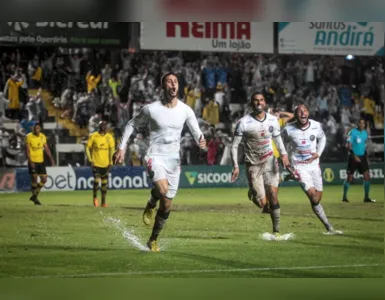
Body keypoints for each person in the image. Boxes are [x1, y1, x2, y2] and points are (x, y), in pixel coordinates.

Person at [114, 72, 206, 252]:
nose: (173, 85)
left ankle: (153, 238)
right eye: (169, 82)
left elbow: (196, 131)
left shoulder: (185, 110)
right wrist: (121, 147)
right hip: (154, 156)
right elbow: (131, 124)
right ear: (162, 86)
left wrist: (201, 140)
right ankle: (152, 201)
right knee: (163, 190)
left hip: (173, 160)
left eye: (176, 82)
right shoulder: (151, 109)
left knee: (167, 204)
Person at [230, 92, 290, 237]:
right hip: (253, 164)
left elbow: (277, 139)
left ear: (265, 103)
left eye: (261, 100)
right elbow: (234, 146)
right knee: (263, 204)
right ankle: (253, 192)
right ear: (252, 103)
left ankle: (276, 232)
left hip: (270, 161)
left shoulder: (273, 120)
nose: (259, 103)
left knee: (273, 196)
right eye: (256, 100)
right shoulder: (243, 122)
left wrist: (284, 154)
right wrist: (236, 166)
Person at [282, 104, 342, 235]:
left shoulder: (316, 125)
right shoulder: (288, 129)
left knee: (317, 198)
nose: (303, 113)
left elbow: (323, 138)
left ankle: (328, 227)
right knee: (313, 198)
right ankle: (329, 227)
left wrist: (318, 153)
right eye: (299, 112)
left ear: (308, 113)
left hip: (314, 166)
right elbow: (281, 142)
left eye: (305, 111)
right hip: (299, 166)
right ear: (295, 115)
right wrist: (285, 156)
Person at [262, 108, 294, 214]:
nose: (276, 115)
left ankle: (268, 204)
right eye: (273, 114)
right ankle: (270, 203)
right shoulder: (267, 123)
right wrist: (269, 113)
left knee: (274, 181)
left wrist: (281, 113)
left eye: (277, 114)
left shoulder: (279, 122)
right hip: (268, 155)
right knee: (273, 181)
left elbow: (292, 115)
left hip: (276, 155)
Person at [342, 118, 375, 203]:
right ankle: (344, 197)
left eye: (363, 123)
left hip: (363, 157)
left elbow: (364, 146)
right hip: (353, 157)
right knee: (349, 178)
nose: (362, 125)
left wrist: (366, 158)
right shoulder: (352, 132)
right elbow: (348, 146)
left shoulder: (365, 133)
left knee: (367, 177)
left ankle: (366, 197)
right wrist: (354, 156)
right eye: (360, 123)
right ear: (358, 124)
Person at [86, 121, 115, 208]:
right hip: (96, 163)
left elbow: (111, 150)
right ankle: (95, 198)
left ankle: (103, 202)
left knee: (104, 184)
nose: (103, 126)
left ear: (106, 127)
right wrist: (90, 160)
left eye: (104, 125)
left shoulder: (109, 137)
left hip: (105, 164)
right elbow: (87, 148)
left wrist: (111, 162)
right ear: (99, 126)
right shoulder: (93, 136)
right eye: (101, 125)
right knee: (96, 180)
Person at [25, 123, 55, 205]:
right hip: (33, 161)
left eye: (38, 128)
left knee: (44, 179)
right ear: (33, 129)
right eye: (35, 129)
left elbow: (47, 148)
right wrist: (30, 162)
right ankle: (35, 199)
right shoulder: (29, 136)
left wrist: (51, 159)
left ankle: (34, 196)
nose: (36, 130)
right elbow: (27, 150)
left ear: (40, 129)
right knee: (34, 178)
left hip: (41, 161)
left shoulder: (42, 136)